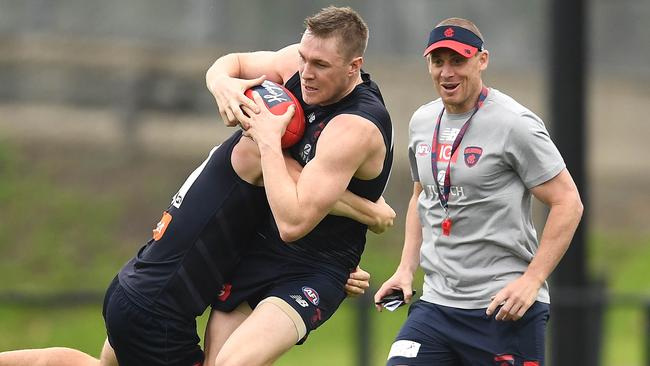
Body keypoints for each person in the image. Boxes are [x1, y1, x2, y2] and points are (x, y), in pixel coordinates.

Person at [373, 18, 583, 365]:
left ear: (481, 60)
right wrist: (405, 269)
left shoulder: (515, 123)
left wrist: (532, 280)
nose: (446, 73)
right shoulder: (422, 121)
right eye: (438, 62)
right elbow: (421, 197)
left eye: (458, 60)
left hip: (502, 308)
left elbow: (568, 203)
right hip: (436, 308)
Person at [202, 6, 393, 366]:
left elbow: (293, 223)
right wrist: (222, 84)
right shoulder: (299, 63)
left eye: (320, 65)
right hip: (257, 249)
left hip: (314, 268)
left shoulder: (355, 126)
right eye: (304, 58)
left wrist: (268, 140)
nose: (306, 73)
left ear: (354, 66)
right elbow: (233, 63)